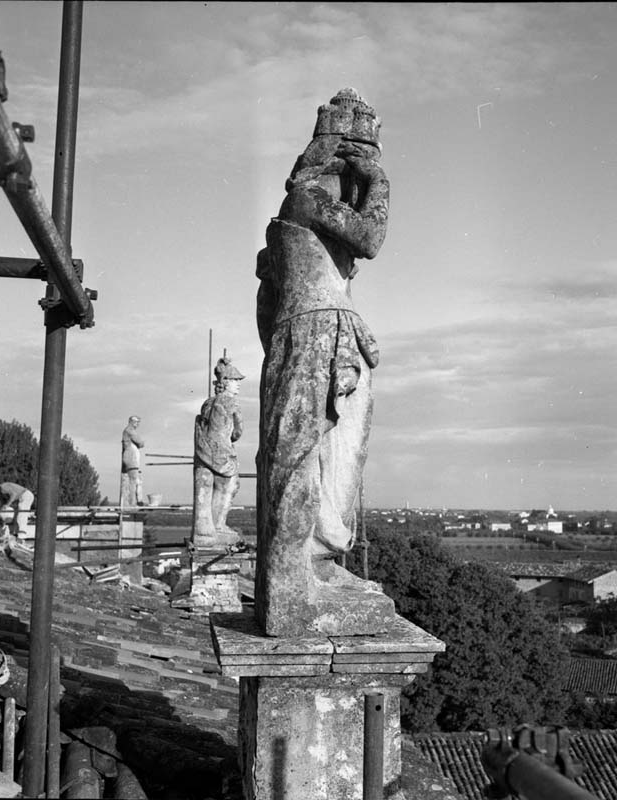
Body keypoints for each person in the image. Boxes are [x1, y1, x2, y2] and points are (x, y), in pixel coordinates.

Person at [255, 88, 393, 635]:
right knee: (303, 452)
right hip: (317, 333)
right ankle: (293, 587)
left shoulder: (307, 210)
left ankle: (320, 556)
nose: (356, 184)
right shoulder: (307, 200)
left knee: (340, 446)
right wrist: (380, 184)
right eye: (352, 168)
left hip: (327, 333)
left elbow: (267, 305)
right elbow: (372, 237)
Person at [192, 358, 244, 546]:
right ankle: (218, 525)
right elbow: (238, 432)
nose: (238, 385)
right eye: (235, 381)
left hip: (205, 452)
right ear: (225, 383)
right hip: (223, 454)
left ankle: (206, 529)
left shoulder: (207, 403)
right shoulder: (232, 403)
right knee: (228, 487)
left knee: (208, 490)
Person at [121, 415, 145, 506]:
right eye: (137, 422)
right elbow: (141, 442)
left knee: (136, 481)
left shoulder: (128, 431)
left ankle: (137, 501)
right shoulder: (129, 431)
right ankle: (132, 503)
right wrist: (140, 443)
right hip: (131, 459)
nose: (138, 424)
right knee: (133, 482)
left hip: (132, 458)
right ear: (132, 422)